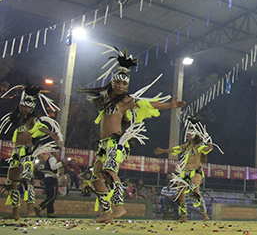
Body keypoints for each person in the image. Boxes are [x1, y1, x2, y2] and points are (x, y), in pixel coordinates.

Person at [79, 47, 185, 222]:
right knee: (96, 179)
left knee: (108, 170)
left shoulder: (126, 101)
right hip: (104, 145)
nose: (121, 86)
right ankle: (106, 212)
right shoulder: (106, 99)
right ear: (113, 82)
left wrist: (169, 106)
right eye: (118, 83)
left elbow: (146, 104)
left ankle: (119, 207)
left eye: (124, 84)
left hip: (116, 143)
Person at [0, 83, 62, 220]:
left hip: (27, 154)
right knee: (11, 183)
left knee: (26, 181)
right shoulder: (18, 120)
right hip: (16, 154)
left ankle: (30, 210)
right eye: (23, 106)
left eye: (28, 106)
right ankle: (15, 212)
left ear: (32, 107)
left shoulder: (31, 120)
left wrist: (50, 133)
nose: (25, 108)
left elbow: (39, 125)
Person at [154, 118, 216, 222]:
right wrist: (164, 150)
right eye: (187, 133)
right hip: (185, 172)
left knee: (195, 192)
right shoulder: (187, 145)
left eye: (190, 133)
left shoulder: (198, 146)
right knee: (180, 194)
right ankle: (184, 216)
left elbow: (208, 148)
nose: (188, 134)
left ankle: (204, 215)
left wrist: (209, 144)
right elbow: (176, 149)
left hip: (196, 171)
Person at [35, 151, 61, 218]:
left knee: (50, 196)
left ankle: (50, 213)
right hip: (51, 179)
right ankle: (39, 207)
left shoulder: (50, 159)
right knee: (52, 196)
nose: (58, 153)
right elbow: (53, 167)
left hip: (48, 179)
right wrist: (60, 164)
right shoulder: (52, 158)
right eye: (57, 152)